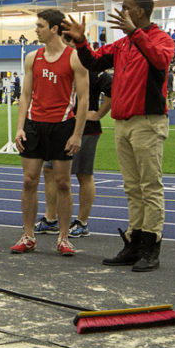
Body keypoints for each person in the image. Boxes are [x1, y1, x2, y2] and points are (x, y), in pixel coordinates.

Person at [65, 0, 175, 273]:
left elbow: (160, 61)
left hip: (148, 122)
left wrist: (137, 34)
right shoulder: (122, 45)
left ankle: (151, 246)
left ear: (140, 12)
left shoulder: (160, 39)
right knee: (132, 187)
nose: (120, 12)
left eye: (126, 8)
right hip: (124, 122)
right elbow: (93, 61)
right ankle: (135, 242)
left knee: (150, 186)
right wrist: (80, 41)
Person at [12, 9, 88, 256]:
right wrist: (20, 127)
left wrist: (77, 134)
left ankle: (63, 238)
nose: (36, 29)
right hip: (35, 125)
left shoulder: (75, 58)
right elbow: (25, 95)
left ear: (54, 28)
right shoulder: (33, 58)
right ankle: (28, 235)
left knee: (63, 183)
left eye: (40, 25)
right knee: (28, 181)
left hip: (62, 125)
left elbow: (84, 99)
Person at [69, 69, 113, 239]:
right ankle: (51, 219)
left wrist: (99, 114)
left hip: (87, 129)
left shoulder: (91, 68)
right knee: (51, 172)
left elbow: (112, 88)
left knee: (84, 174)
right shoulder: (61, 61)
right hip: (59, 126)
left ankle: (82, 222)